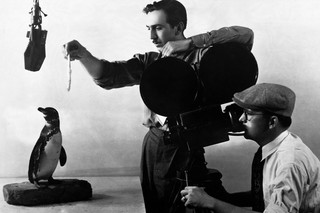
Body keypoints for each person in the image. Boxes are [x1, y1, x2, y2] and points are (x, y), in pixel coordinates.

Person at [62, 1, 254, 212]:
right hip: (154, 142)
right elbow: (109, 75)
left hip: (184, 146)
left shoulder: (204, 57)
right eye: (149, 29)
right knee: (152, 204)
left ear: (178, 27)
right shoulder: (151, 61)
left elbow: (245, 35)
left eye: (158, 27)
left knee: (177, 206)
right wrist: (83, 54)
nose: (152, 36)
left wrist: (191, 42)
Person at [181, 83, 320, 213]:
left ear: (272, 122)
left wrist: (211, 203)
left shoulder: (289, 162)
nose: (241, 119)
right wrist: (225, 199)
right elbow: (268, 194)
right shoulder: (276, 146)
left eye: (249, 113)